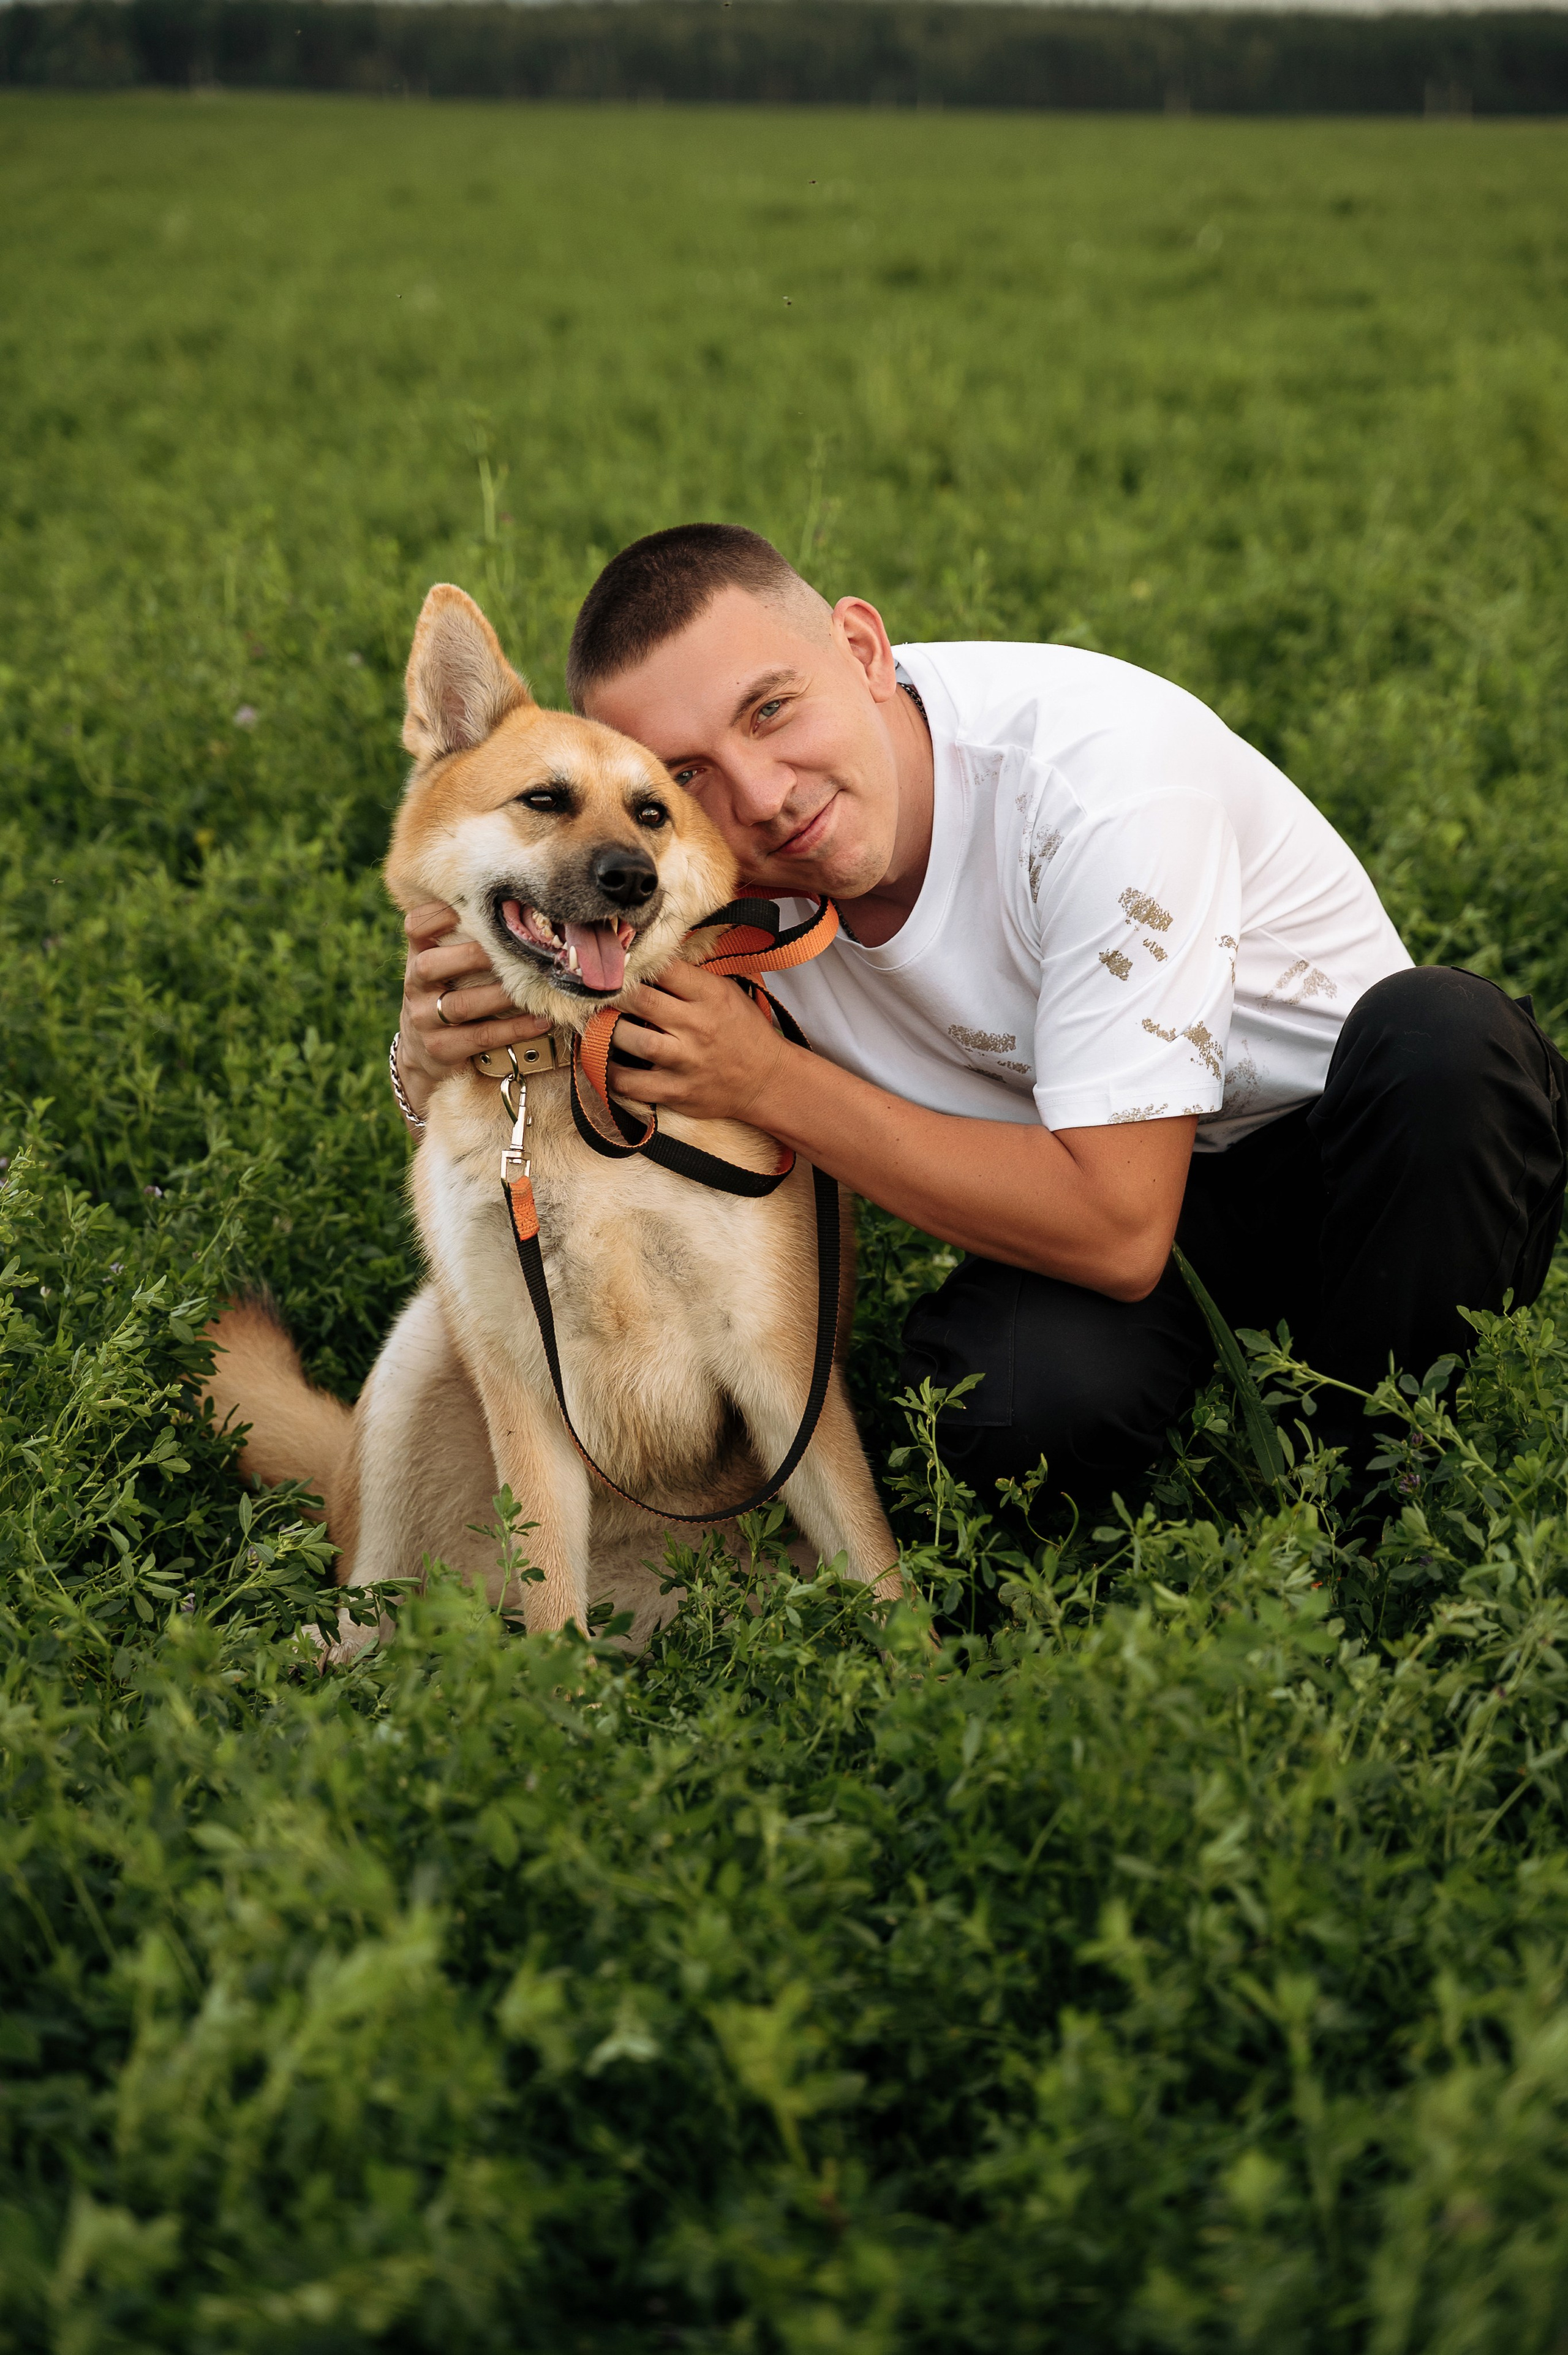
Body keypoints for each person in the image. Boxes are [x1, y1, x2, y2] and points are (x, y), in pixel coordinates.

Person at [394, 524, 1568, 1500]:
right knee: (998, 1414)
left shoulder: (1100, 778)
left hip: (1350, 1158)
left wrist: (766, 1083)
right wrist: (429, 1041)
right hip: (1079, 1183)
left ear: (860, 647)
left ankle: (1394, 1495)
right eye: (684, 775)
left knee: (1443, 1045)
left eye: (771, 711)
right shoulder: (691, 865)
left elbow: (1118, 1230)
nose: (761, 798)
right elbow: (513, 935)